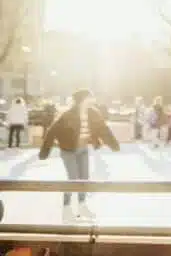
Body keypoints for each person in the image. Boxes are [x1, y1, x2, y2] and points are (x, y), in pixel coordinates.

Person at [39, 89, 120, 223]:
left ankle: (82, 206)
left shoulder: (93, 113)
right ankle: (66, 208)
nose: (92, 100)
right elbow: (52, 131)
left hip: (83, 150)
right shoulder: (68, 115)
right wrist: (44, 151)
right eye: (90, 98)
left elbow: (103, 129)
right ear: (82, 100)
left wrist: (113, 144)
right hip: (68, 150)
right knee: (73, 179)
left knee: (84, 179)